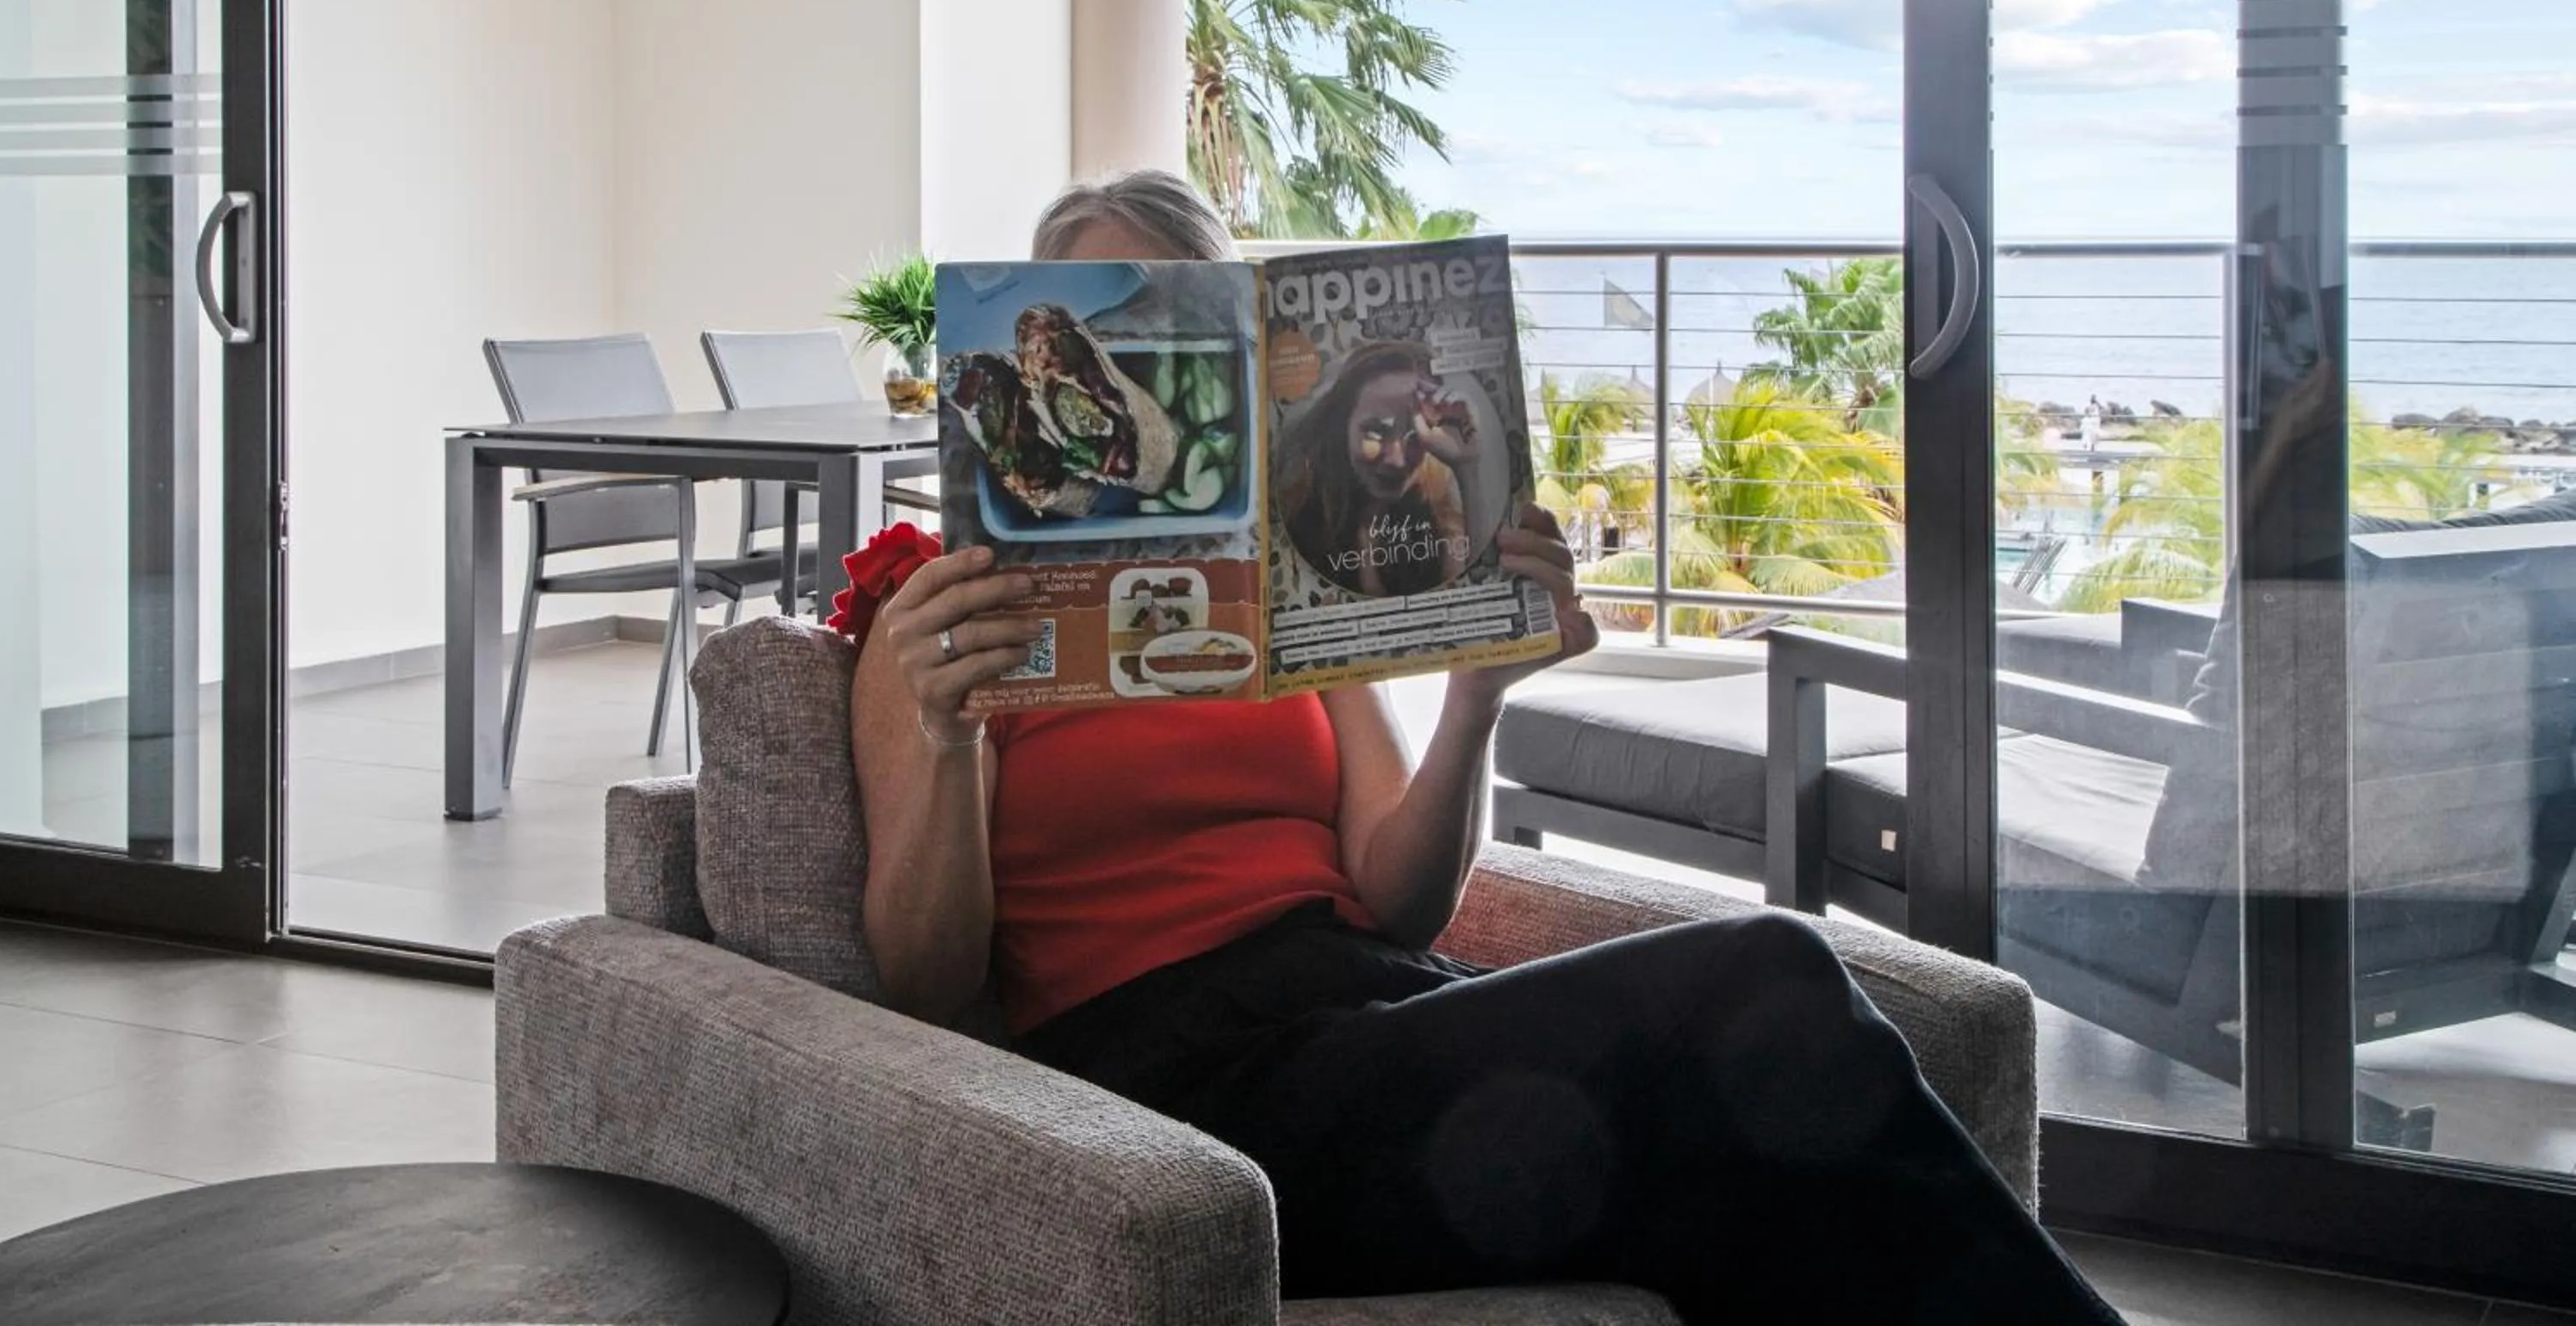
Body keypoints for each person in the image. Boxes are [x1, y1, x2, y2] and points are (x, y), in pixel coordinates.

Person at [846, 169, 2124, 1323]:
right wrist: (949, 734)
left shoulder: (1280, 587)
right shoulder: (948, 619)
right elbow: (922, 979)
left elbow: (1401, 903)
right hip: (1169, 1077)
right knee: (1770, 972)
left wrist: (1477, 699)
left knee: (1751, 1181)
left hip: (1370, 1013)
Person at [1280, 338, 1480, 596]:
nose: (1397, 460)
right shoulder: (1299, 508)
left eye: (1415, 437)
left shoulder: (1443, 517)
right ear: (1342, 424)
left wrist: (1468, 465)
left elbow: (1475, 587)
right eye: (1375, 432)